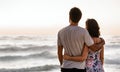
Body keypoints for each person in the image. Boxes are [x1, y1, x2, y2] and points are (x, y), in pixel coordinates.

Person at [57, 7, 105, 72]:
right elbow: (94, 48)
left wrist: (62, 64)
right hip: (80, 68)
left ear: (69, 16)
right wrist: (102, 42)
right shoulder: (84, 32)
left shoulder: (60, 32)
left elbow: (59, 53)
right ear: (80, 18)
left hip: (65, 67)